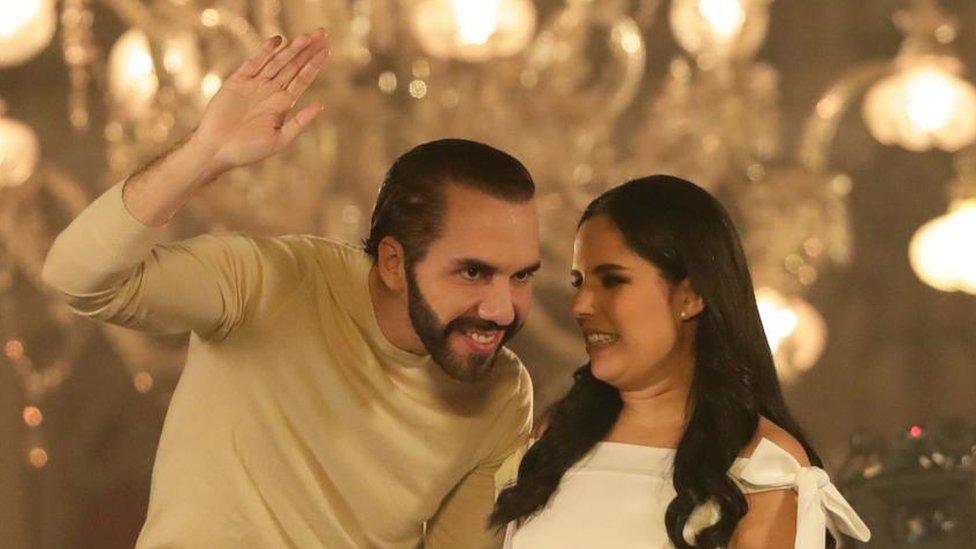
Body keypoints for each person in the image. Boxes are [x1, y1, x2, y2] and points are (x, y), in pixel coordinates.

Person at [42, 28, 540, 548]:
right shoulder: (268, 280)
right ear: (393, 262)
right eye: (474, 273)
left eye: (522, 275)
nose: (503, 310)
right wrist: (203, 153)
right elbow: (76, 278)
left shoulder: (504, 393)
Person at [491, 176, 871, 548]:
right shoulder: (558, 434)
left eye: (612, 281)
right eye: (579, 283)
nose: (581, 305)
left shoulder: (762, 464)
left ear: (690, 297)